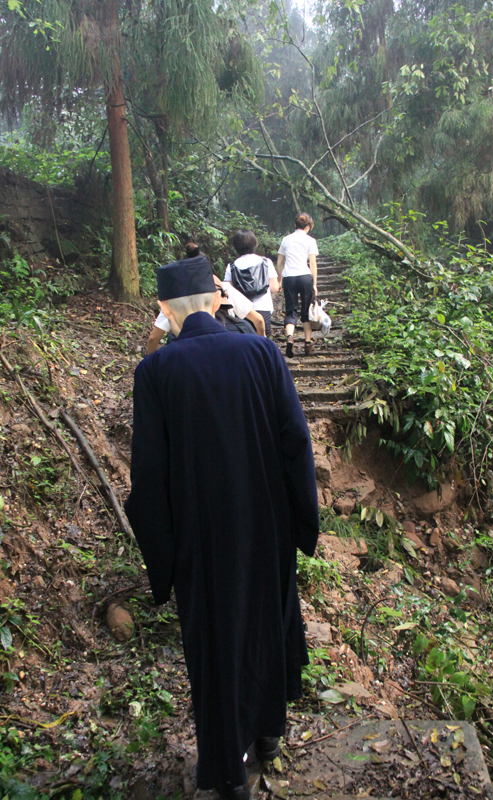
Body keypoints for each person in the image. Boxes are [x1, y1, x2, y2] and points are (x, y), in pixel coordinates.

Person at [125, 255, 319, 800]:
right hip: (266, 525)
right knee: (266, 621)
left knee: (215, 642)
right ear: (216, 300)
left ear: (164, 309)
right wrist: (303, 524)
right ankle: (269, 732)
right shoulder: (261, 352)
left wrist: (162, 562)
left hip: (201, 538)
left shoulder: (156, 372)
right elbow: (295, 442)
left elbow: (150, 474)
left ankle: (228, 768)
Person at [147, 257, 265, 353]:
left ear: (165, 309)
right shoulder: (251, 340)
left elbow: (154, 337)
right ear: (217, 300)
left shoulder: (163, 359)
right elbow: (258, 319)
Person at [276, 212, 319, 358]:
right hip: (305, 277)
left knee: (291, 311)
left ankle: (289, 337)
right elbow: (312, 263)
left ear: (295, 225)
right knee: (306, 311)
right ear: (308, 226)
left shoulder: (286, 240)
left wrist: (280, 280)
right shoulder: (310, 240)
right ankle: (307, 344)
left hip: (289, 278)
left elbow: (279, 262)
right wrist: (314, 284)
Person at [224, 229, 279, 337]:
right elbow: (274, 288)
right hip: (263, 307)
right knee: (263, 343)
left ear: (236, 246)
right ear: (254, 243)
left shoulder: (232, 266)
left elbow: (227, 291)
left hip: (242, 311)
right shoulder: (266, 262)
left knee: (245, 343)